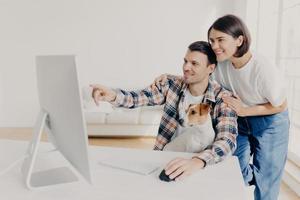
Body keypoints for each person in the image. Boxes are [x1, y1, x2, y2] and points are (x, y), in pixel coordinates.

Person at [153, 15, 289, 200]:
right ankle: (257, 177)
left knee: (267, 180)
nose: (214, 46)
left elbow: (281, 104)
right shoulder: (221, 63)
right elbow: (200, 75)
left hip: (270, 119)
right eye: (212, 40)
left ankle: (263, 180)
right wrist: (169, 77)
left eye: (220, 40)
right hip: (239, 119)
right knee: (234, 168)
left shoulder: (262, 68)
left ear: (239, 40)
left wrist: (246, 111)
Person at [91, 41, 238, 181]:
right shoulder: (170, 85)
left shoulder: (223, 99)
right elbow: (140, 97)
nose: (186, 67)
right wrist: (113, 95)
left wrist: (198, 161)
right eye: (185, 61)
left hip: (200, 164)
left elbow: (227, 140)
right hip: (165, 158)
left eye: (194, 63)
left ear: (210, 68)